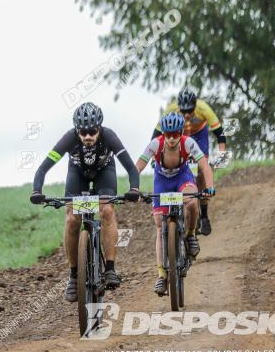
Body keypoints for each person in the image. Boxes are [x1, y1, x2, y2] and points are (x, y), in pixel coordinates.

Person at [30, 102, 140, 302]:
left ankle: (110, 268)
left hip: (104, 173)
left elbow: (131, 168)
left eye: (92, 131)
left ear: (99, 128)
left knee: (106, 210)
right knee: (72, 219)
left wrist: (134, 189)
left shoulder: (110, 136)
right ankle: (73, 276)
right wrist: (37, 190)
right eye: (83, 132)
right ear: (76, 130)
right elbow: (43, 168)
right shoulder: (68, 139)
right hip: (77, 174)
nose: (88, 136)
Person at [137, 111, 214, 296]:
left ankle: (189, 235)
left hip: (182, 177)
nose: (172, 139)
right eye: (168, 134)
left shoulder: (188, 142)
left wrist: (209, 187)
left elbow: (204, 165)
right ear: (163, 133)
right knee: (158, 225)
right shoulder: (156, 144)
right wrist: (133, 188)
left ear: (181, 132)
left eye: (175, 134)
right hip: (162, 181)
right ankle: (162, 276)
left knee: (192, 202)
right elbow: (137, 167)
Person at [151, 88, 226, 235]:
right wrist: (155, 157)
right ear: (178, 107)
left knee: (201, 170)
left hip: (199, 135)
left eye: (190, 111)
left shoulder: (204, 108)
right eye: (183, 111)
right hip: (179, 136)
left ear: (195, 106)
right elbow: (156, 135)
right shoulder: (171, 109)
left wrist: (222, 153)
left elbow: (220, 133)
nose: (186, 115)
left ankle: (204, 215)